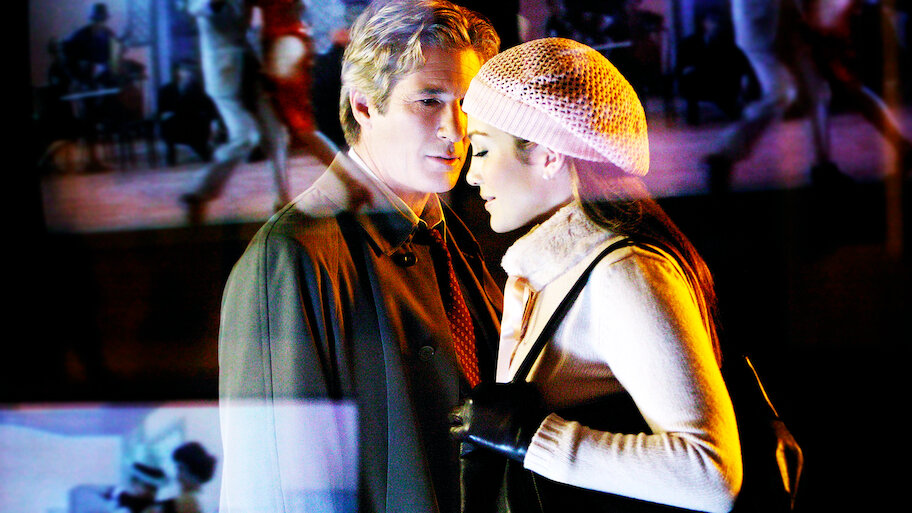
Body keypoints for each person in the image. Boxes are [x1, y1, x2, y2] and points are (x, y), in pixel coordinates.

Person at [217, 2, 502, 512]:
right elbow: (279, 490)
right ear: (365, 106)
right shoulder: (290, 257)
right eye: (429, 101)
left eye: (466, 103)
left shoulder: (451, 232)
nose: (456, 129)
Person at [449, 37, 742, 513]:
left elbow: (710, 474)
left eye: (481, 150)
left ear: (548, 155)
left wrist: (532, 438)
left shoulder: (623, 273)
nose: (471, 175)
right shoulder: (557, 268)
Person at [180, 0, 290, 222]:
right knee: (245, 137)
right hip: (225, 76)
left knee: (276, 135)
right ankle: (198, 193)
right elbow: (203, 8)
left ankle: (283, 201)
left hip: (250, 70)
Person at [253, 0, 339, 165]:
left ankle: (346, 175)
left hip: (283, 45)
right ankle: (345, 174)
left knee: (299, 124)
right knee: (284, 124)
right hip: (283, 43)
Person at [157, 60, 218, 166]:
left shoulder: (200, 90)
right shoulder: (166, 90)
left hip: (193, 121)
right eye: (185, 71)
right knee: (170, 124)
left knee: (196, 131)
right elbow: (162, 109)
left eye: (191, 71)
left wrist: (213, 121)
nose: (188, 74)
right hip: (175, 122)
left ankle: (205, 153)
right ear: (178, 72)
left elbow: (208, 108)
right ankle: (172, 158)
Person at [148, 442, 217, 513]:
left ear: (193, 473)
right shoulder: (207, 501)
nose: (178, 476)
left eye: (181, 469)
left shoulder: (189, 502)